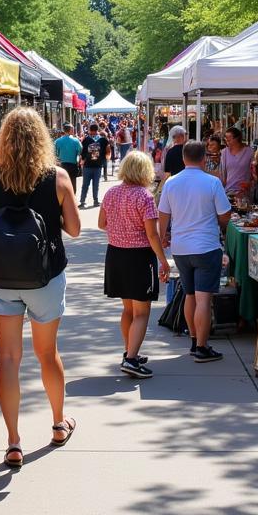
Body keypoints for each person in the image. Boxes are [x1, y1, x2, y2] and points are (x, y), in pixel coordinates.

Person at [0, 108, 81, 469]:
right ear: (42, 140)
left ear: (4, 139)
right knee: (47, 354)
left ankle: (14, 441)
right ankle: (58, 424)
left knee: (8, 358)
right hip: (45, 277)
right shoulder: (58, 177)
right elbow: (76, 230)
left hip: (2, 277)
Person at [158, 139, 232, 363]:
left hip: (181, 248)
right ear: (204, 159)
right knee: (203, 299)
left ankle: (193, 339)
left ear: (183, 158)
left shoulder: (171, 182)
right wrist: (218, 223)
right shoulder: (212, 182)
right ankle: (202, 345)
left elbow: (163, 214)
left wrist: (163, 237)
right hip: (206, 246)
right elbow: (225, 214)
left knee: (189, 295)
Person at [99, 151, 171, 378]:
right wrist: (163, 261)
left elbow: (102, 223)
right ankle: (131, 359)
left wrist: (120, 228)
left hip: (116, 255)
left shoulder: (111, 193)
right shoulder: (145, 196)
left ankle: (129, 351)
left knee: (128, 309)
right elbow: (152, 234)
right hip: (139, 257)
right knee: (142, 312)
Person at [219, 126, 255, 197]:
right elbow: (223, 175)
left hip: (244, 192)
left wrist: (249, 185)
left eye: (229, 139)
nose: (227, 141)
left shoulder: (249, 152)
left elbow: (254, 174)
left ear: (237, 138)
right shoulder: (224, 152)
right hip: (228, 192)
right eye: (226, 139)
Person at [79, 123, 109, 208]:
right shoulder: (102, 140)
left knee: (85, 185)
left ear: (90, 130)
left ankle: (82, 201)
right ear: (97, 130)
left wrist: (82, 161)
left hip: (87, 166)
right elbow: (107, 151)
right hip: (98, 166)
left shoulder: (86, 140)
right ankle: (95, 201)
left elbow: (82, 152)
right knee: (96, 185)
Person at [54, 123, 82, 195]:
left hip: (62, 165)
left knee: (62, 182)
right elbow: (80, 150)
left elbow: (55, 153)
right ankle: (73, 197)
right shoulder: (76, 141)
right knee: (73, 182)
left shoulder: (58, 141)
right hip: (72, 164)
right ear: (70, 130)